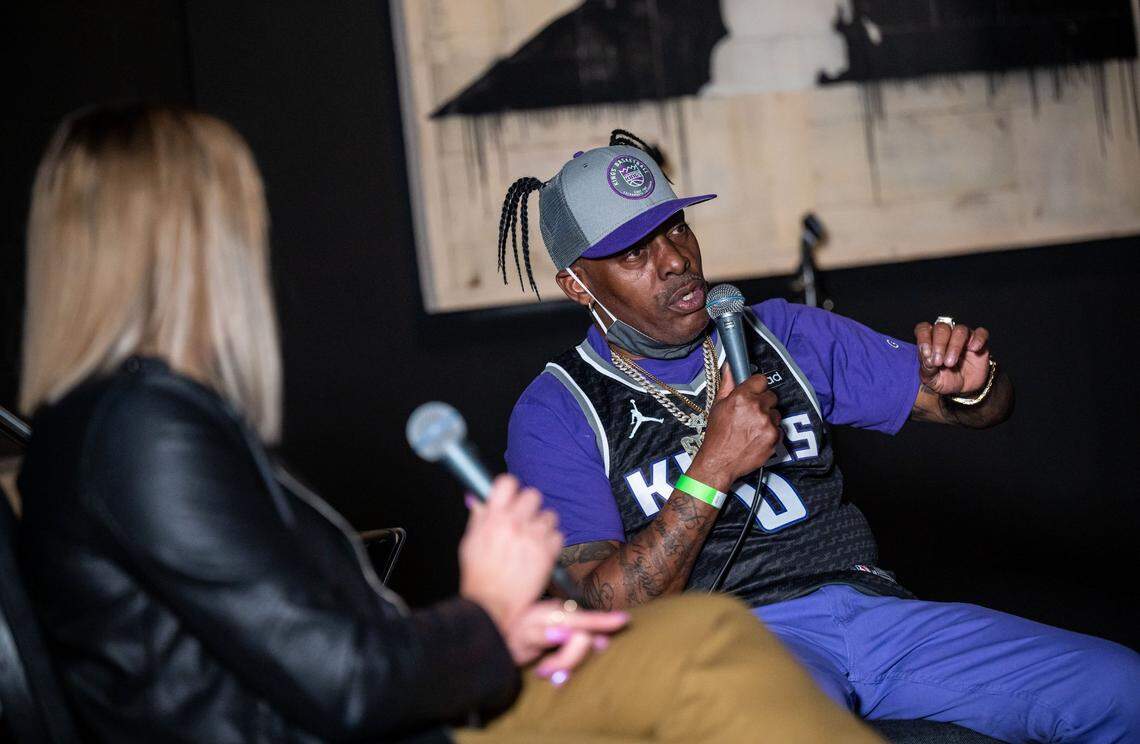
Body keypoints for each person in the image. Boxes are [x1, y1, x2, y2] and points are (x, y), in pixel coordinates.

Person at [14, 105, 884, 743]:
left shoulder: (111, 426)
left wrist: (503, 632)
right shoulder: (142, 432)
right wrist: (489, 615)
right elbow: (342, 684)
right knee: (703, 641)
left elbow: (301, 645)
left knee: (699, 634)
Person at [501, 129, 1140, 743]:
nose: (675, 260)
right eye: (635, 252)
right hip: (730, 643)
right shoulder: (557, 411)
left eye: (676, 228)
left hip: (873, 612)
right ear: (578, 285)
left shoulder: (786, 332)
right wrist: (712, 467)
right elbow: (598, 608)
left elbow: (982, 408)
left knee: (1122, 690)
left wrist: (971, 384)